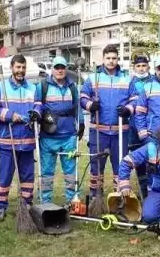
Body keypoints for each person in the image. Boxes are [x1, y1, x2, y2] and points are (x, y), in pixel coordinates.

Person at [0, 54, 42, 220]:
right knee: (5, 174)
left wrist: (36, 114)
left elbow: (39, 106)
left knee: (27, 175)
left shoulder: (33, 88)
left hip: (27, 139)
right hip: (7, 140)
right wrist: (10, 115)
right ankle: (0, 205)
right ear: (12, 68)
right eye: (18, 67)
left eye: (23, 67)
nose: (20, 71)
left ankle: (26, 203)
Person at [80, 44, 132, 204]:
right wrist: (90, 105)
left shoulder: (126, 78)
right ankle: (96, 197)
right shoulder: (93, 78)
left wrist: (127, 109)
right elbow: (82, 96)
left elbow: (136, 99)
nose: (111, 61)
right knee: (96, 166)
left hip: (120, 131)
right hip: (99, 130)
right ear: (102, 59)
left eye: (114, 58)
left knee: (121, 166)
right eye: (108, 58)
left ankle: (119, 197)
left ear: (118, 60)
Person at [38, 57, 84, 204]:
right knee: (46, 173)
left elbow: (77, 107)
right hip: (48, 136)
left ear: (65, 69)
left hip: (69, 137)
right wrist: (37, 115)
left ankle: (73, 200)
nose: (59, 70)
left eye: (62, 67)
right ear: (52, 69)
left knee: (71, 172)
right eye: (57, 67)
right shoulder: (43, 86)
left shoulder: (72, 86)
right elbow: (37, 105)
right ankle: (46, 202)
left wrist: (81, 122)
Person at [125, 53, 153, 196]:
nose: (141, 69)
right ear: (134, 67)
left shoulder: (154, 81)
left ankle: (153, 190)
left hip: (150, 127)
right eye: (138, 66)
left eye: (144, 66)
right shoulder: (130, 82)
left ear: (148, 65)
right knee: (139, 160)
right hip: (134, 129)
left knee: (152, 159)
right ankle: (143, 191)